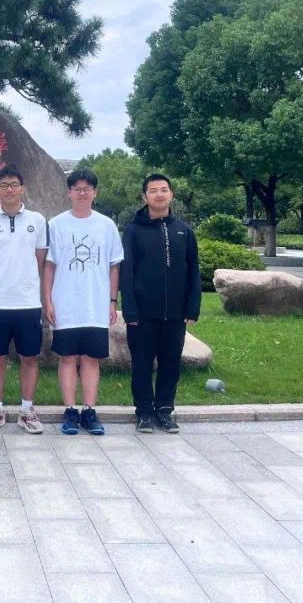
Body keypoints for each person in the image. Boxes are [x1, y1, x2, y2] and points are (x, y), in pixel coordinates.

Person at [43, 168, 123, 436]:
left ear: (95, 192)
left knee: (91, 358)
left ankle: (89, 410)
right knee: (67, 358)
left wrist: (112, 301)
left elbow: (114, 266)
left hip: (95, 304)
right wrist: (48, 301)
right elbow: (49, 265)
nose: (82, 192)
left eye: (86, 188)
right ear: (68, 192)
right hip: (65, 303)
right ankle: (70, 410)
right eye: (76, 188)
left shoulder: (106, 225)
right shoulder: (56, 224)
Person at [120, 173, 201, 435]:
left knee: (171, 363)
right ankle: (144, 411)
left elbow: (193, 270)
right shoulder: (134, 231)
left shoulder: (184, 230)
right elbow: (126, 273)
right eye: (153, 190)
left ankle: (165, 409)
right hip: (142, 314)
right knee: (141, 364)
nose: (159, 194)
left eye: (164, 189)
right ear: (144, 197)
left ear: (171, 194)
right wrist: (129, 309)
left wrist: (193, 306)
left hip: (176, 313)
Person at [0, 165, 48, 434]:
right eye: (4, 185)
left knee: (29, 357)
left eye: (14, 184)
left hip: (27, 302)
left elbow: (39, 258)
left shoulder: (37, 220)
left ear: (22, 188)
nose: (9, 189)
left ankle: (27, 411)